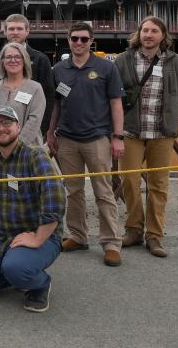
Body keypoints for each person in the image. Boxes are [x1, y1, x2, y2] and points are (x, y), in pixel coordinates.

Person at [0, 106, 66, 313]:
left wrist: (36, 238)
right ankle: (15, 271)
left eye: (7, 123)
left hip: (41, 235)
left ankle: (40, 283)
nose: (1, 128)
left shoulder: (36, 156)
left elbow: (56, 203)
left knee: (16, 267)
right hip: (0, 236)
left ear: (18, 126)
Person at [114, 16, 178, 258]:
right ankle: (133, 229)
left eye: (154, 31)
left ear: (163, 36)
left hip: (162, 134)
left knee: (159, 185)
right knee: (129, 182)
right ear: (138, 34)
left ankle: (155, 235)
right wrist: (112, 133)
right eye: (145, 30)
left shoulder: (177, 63)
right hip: (131, 133)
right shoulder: (123, 60)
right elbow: (109, 97)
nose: (149, 35)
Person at [46, 22, 125, 267]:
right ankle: (78, 236)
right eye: (74, 39)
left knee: (104, 192)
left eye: (83, 39)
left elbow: (116, 103)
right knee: (73, 191)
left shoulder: (105, 68)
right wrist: (50, 132)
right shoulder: (59, 69)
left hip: (97, 138)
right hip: (67, 138)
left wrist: (117, 136)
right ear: (68, 41)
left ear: (91, 41)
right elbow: (56, 104)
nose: (78, 43)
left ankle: (111, 242)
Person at [0, 14, 55, 136]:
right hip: (0, 133)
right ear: (5, 31)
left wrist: (41, 129)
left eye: (19, 29)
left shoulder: (40, 59)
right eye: (11, 29)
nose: (15, 32)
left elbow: (49, 97)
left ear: (27, 31)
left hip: (30, 134)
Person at [0, 42, 46, 146]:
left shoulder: (35, 88)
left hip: (27, 150)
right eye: (8, 57)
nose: (13, 60)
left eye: (18, 57)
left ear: (25, 60)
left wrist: (16, 146)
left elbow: (34, 120)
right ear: (3, 61)